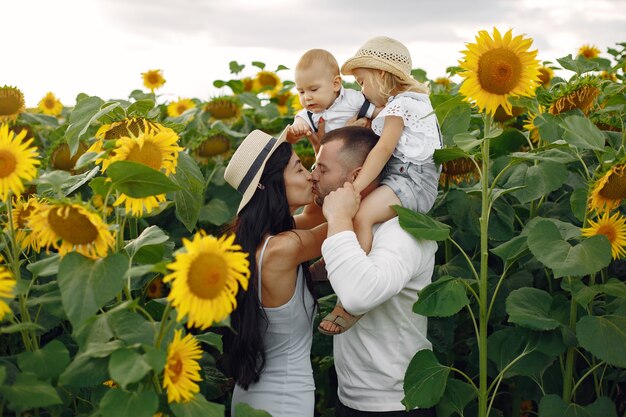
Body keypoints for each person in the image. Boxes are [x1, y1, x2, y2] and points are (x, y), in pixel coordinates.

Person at [319, 36, 442, 335]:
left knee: (360, 215)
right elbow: (374, 121)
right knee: (360, 212)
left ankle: (351, 298)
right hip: (402, 178)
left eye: (362, 82)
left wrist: (356, 186)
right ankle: (335, 262)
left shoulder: (402, 106)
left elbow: (383, 150)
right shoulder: (401, 104)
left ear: (382, 76)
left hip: (411, 182)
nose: (361, 90)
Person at [311, 126, 438, 416]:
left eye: (322, 168)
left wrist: (340, 215)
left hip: (396, 404)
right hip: (352, 398)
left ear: (355, 177)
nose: (312, 176)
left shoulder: (402, 231)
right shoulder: (353, 223)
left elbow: (357, 296)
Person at [223, 128, 327, 417]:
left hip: (253, 396)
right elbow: (343, 219)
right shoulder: (284, 249)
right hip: (283, 403)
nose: (309, 175)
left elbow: (314, 214)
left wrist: (321, 151)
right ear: (270, 184)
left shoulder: (258, 242)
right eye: (299, 169)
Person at [286, 48, 379, 151]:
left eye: (314, 89)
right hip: (333, 158)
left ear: (335, 84)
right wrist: (296, 130)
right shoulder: (308, 114)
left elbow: (377, 112)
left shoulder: (353, 99)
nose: (307, 97)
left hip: (359, 152)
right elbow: (294, 132)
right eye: (301, 92)